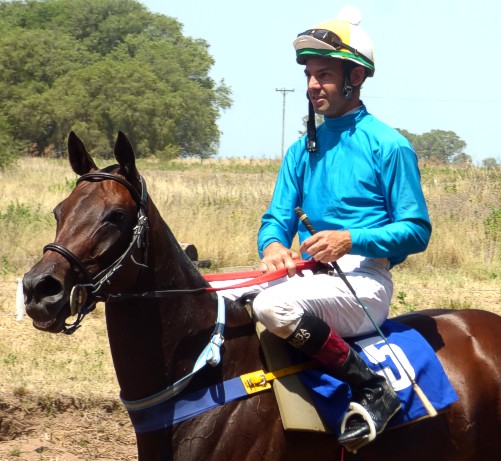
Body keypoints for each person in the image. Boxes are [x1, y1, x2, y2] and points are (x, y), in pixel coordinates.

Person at [252, 7, 432, 448]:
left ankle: (372, 388)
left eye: (325, 75)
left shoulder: (390, 146)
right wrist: (273, 246)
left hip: (365, 282)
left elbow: (417, 230)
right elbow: (276, 219)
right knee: (225, 306)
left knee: (271, 308)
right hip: (308, 277)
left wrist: (351, 239)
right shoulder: (300, 151)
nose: (313, 85)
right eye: (310, 75)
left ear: (356, 77)